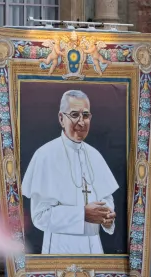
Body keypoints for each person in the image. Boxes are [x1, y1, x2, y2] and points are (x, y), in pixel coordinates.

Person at [21, 90, 119, 254]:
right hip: (59, 249)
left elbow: (107, 199)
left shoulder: (95, 155)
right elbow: (39, 217)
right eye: (74, 115)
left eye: (86, 115)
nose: (81, 122)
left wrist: (107, 220)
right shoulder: (45, 155)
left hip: (95, 249)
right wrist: (82, 215)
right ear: (61, 118)